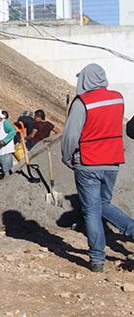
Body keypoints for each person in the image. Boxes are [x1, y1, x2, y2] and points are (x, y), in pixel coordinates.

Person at [61, 63, 134, 273]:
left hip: (88, 162)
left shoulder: (82, 103)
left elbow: (71, 135)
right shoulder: (117, 98)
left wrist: (67, 158)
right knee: (105, 203)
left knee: (91, 211)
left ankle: (97, 260)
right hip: (112, 161)